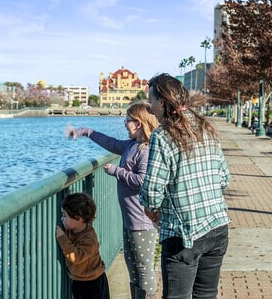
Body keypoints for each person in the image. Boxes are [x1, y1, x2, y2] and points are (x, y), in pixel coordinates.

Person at [139, 73, 231, 299]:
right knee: (206, 295)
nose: (151, 110)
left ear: (162, 102)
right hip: (217, 228)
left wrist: (151, 211)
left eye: (151, 103)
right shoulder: (205, 126)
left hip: (184, 237)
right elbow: (224, 178)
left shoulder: (162, 136)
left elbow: (152, 193)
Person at [67, 102, 159, 299]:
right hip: (130, 219)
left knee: (144, 268)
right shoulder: (131, 145)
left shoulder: (145, 150)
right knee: (132, 267)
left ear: (139, 123)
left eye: (127, 120)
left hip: (142, 222)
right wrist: (85, 131)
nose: (125, 124)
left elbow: (142, 181)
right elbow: (109, 142)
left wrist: (116, 171)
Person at [56, 192, 110, 299]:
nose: (62, 219)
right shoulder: (71, 230)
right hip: (80, 280)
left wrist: (61, 238)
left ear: (79, 218)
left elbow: (76, 257)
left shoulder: (89, 238)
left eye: (64, 215)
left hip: (93, 283)